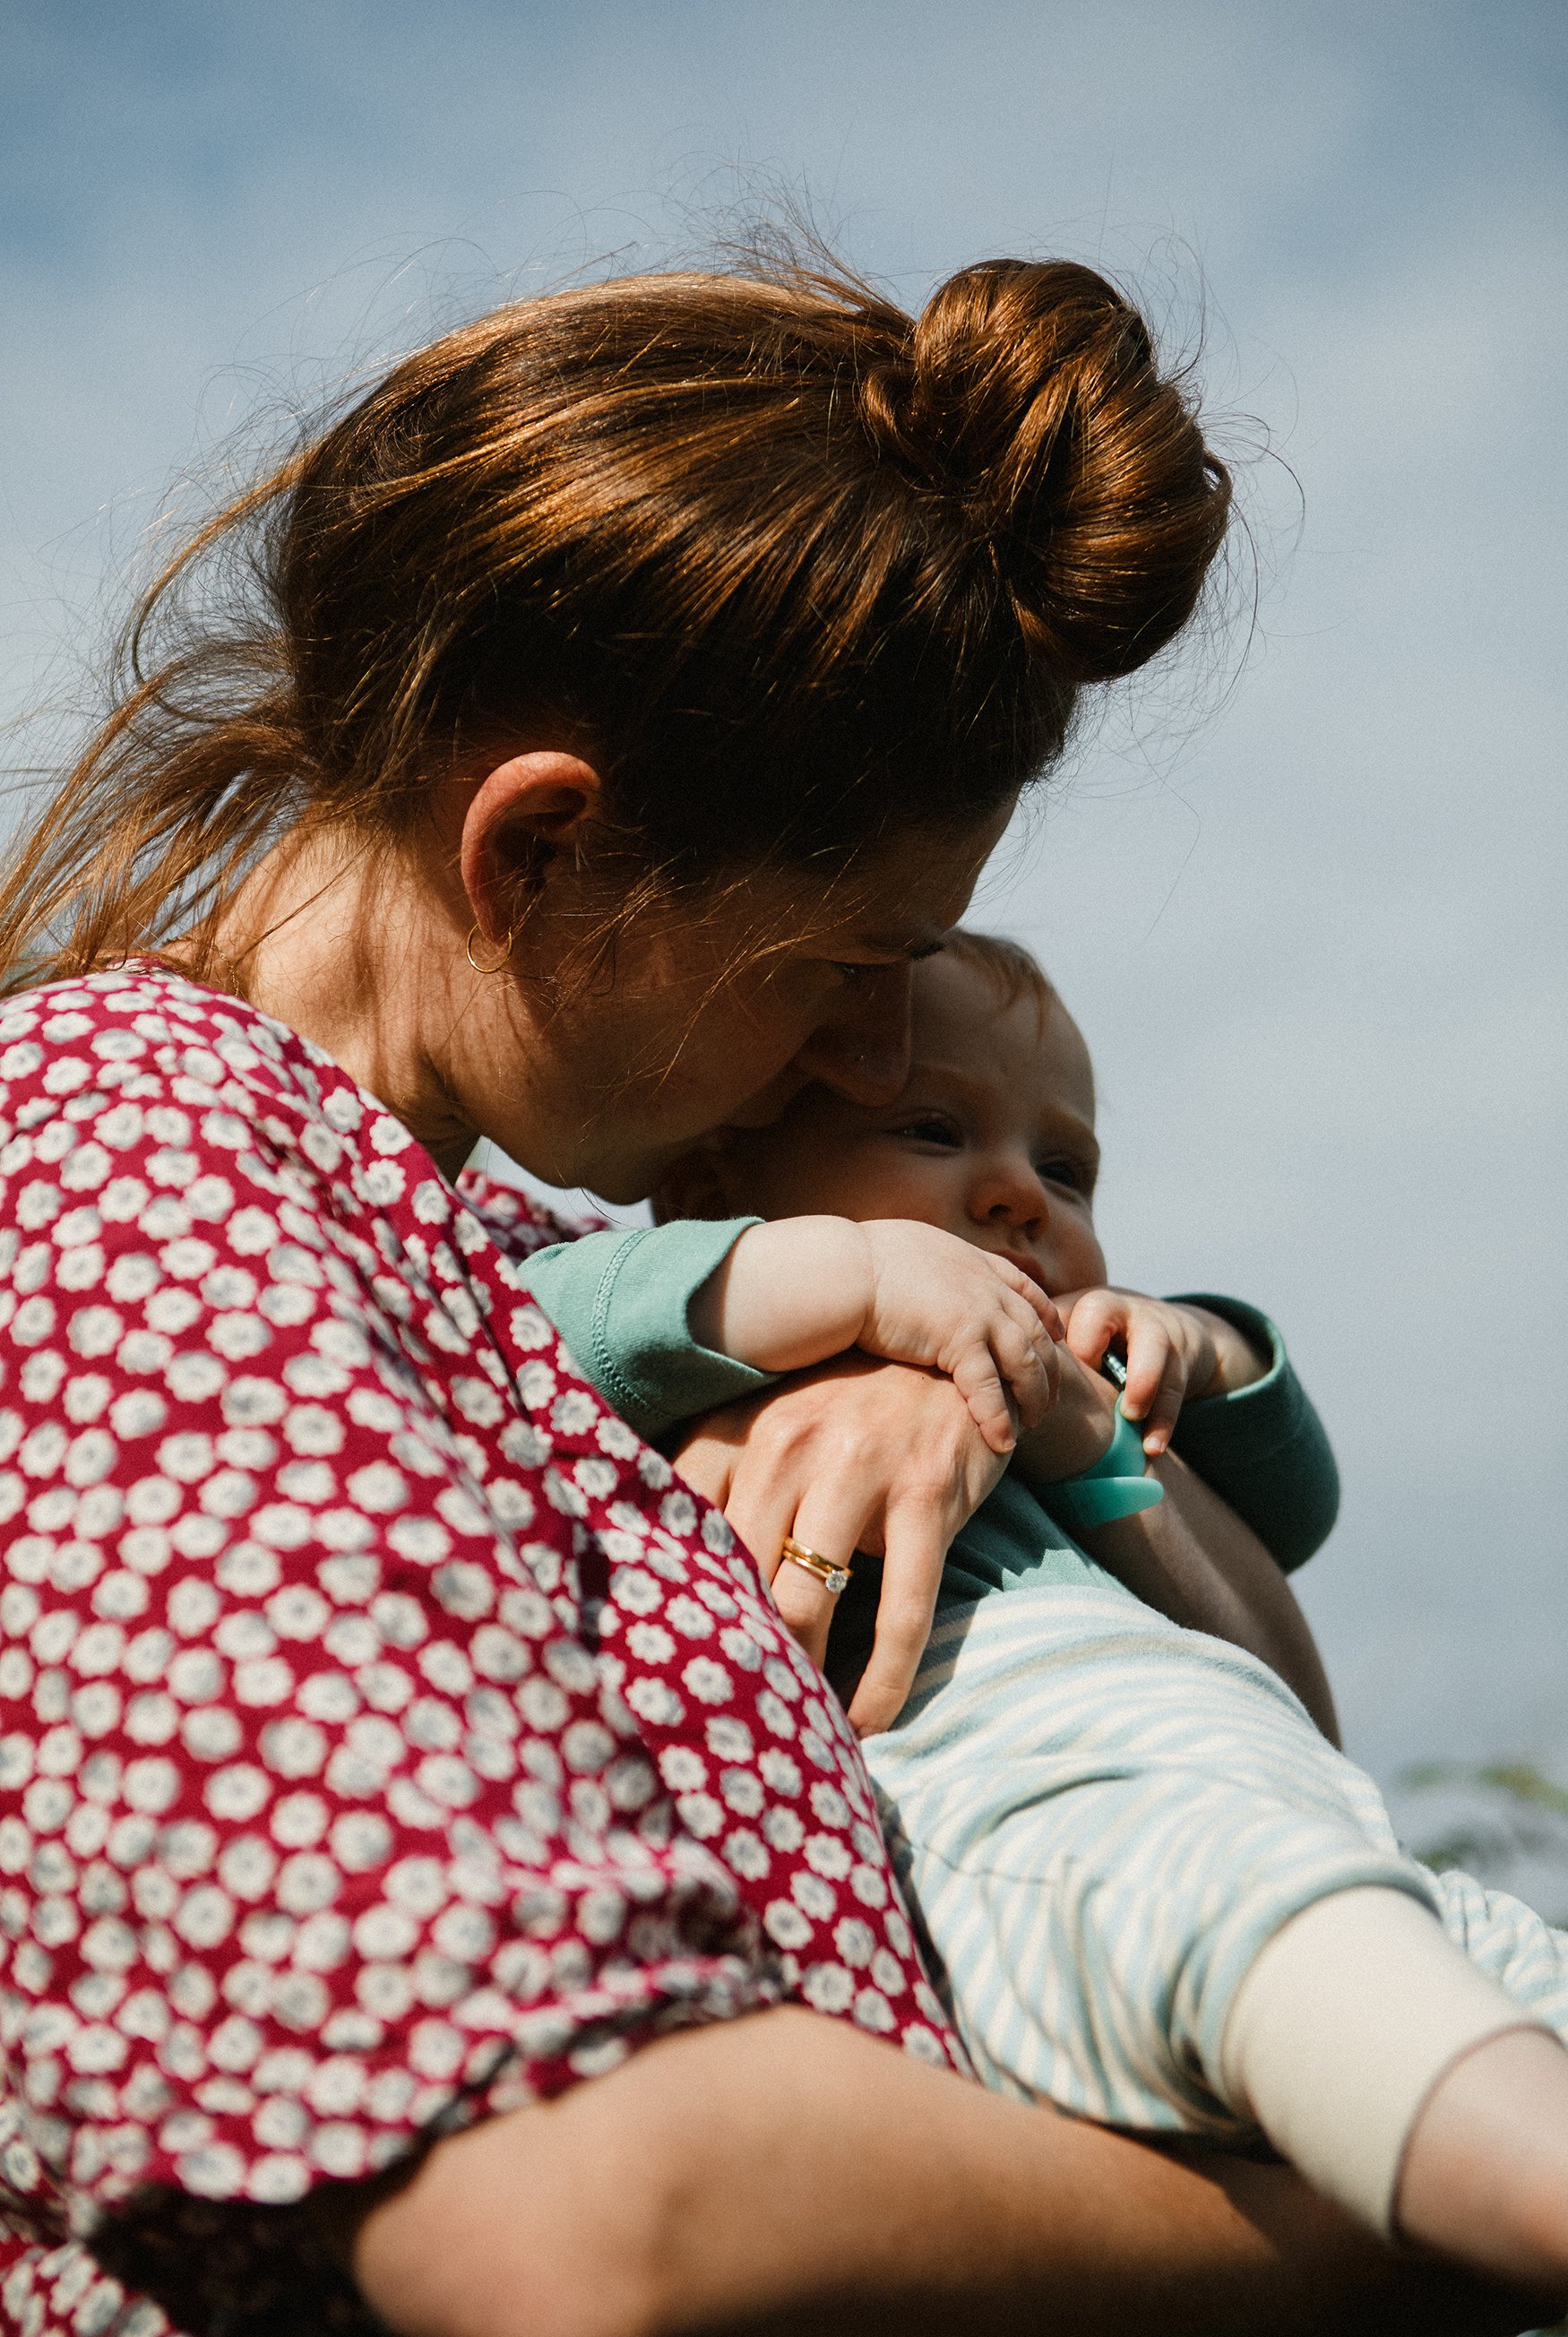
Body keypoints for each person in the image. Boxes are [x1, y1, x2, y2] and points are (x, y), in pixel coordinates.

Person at [0, 247, 1543, 2337]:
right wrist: (1375, 2221)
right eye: (845, 967)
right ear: (535, 852)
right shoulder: (129, 1154)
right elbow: (570, 2219)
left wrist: (1002, 1400)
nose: (876, 1070)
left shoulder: (516, 1271)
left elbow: (1245, 1745)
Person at [518, 927, 1568, 2293]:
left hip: (1285, 1818)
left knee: (1496, 1982)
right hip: (1041, 1812)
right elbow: (535, 1325)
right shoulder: (706, 1329)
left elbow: (1292, 1495)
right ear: (718, 1168)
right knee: (1334, 1983)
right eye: (932, 1127)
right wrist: (850, 1276)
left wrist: (1206, 1343)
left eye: (1065, 1165)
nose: (1017, 1191)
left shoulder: (1072, 1383)